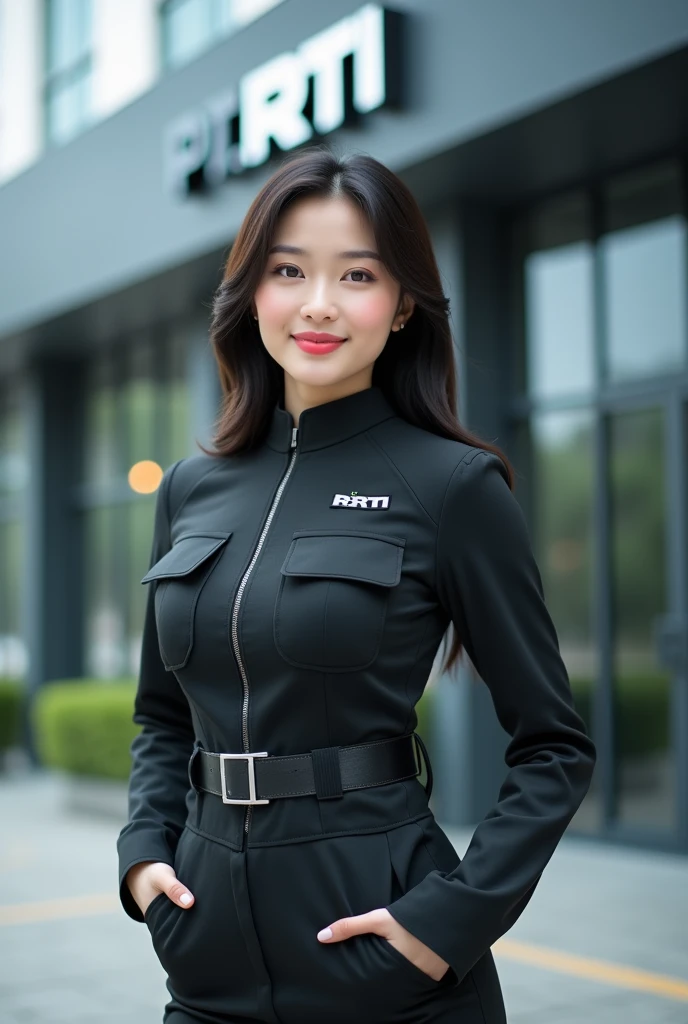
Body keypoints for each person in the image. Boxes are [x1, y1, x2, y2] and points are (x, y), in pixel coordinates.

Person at [117, 146, 597, 1024]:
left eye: (359, 274)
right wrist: (146, 858)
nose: (319, 304)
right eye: (288, 269)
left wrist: (446, 922)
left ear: (404, 302)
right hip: (207, 961)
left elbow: (555, 745)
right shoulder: (191, 486)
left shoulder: (451, 486)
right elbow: (161, 714)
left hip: (385, 965)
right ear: (251, 291)